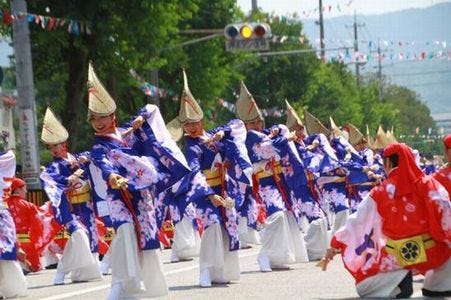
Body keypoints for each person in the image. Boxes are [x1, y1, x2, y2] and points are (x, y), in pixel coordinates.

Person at [86, 63, 189, 299]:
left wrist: (139, 120)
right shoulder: (98, 146)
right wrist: (111, 176)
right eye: (94, 120)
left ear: (112, 116)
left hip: (141, 192)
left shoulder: (128, 132)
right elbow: (102, 163)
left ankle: (149, 287)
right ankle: (121, 286)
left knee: (146, 235)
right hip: (118, 191)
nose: (99, 123)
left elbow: (152, 108)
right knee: (124, 230)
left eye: (102, 117)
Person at [322, 142, 451, 298]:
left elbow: (357, 221)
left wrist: (334, 245)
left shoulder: (381, 191)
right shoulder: (430, 184)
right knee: (447, 253)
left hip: (398, 256)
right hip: (432, 252)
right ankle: (437, 287)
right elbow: (446, 214)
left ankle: (399, 280)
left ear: (388, 163)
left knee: (364, 287)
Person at [168, 70, 246, 287]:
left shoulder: (215, 136)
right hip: (206, 193)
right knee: (211, 226)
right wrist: (210, 195)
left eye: (194, 122)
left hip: (224, 188)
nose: (191, 127)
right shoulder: (192, 146)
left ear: (201, 120)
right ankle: (205, 271)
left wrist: (223, 134)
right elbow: (194, 170)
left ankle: (221, 272)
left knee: (226, 228)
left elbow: (237, 126)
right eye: (186, 124)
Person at [236, 82, 309, 272]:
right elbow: (267, 149)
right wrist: (287, 138)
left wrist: (279, 131)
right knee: (275, 215)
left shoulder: (265, 133)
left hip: (278, 181)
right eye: (252, 122)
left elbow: (275, 137)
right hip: (266, 182)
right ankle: (265, 255)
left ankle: (278, 257)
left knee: (284, 215)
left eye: (258, 121)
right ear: (244, 125)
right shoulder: (249, 137)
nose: (257, 125)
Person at [40, 107, 103, 285]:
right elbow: (51, 182)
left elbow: (95, 158)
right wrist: (67, 180)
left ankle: (87, 272)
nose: (53, 149)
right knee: (79, 235)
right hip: (71, 207)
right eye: (49, 147)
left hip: (86, 205)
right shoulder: (53, 168)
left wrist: (85, 162)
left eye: (55, 145)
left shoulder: (77, 157)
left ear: (63, 143)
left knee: (90, 238)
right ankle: (62, 270)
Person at [6, 177, 57, 273]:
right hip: (26, 243)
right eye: (24, 188)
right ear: (17, 189)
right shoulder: (28, 205)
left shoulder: (4, 205)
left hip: (8, 242)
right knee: (35, 266)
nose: (26, 191)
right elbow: (39, 222)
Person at [0, 150, 28, 298]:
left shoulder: (6, 157)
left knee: (4, 253)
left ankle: (10, 288)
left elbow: (9, 157)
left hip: (1, 215)